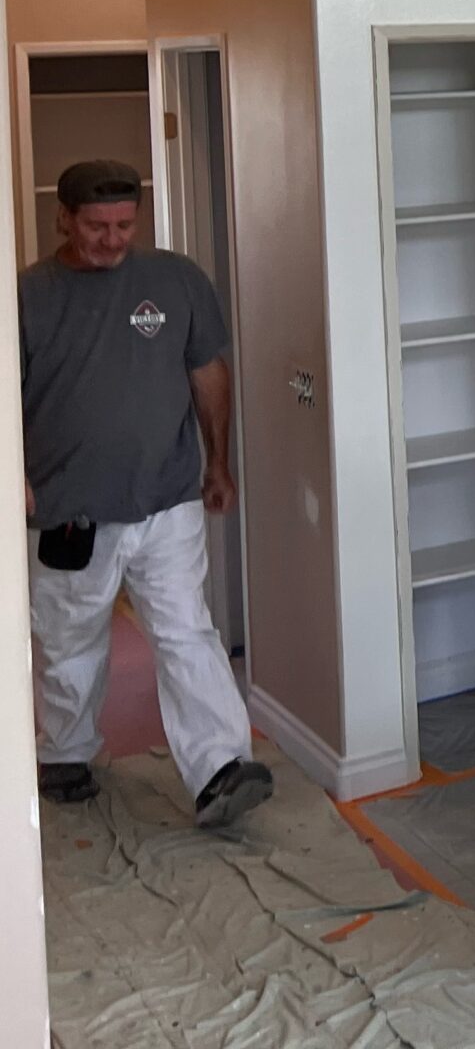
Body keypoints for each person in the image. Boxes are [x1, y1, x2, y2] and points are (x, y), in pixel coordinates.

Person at [20, 158, 270, 828]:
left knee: (187, 629)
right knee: (71, 640)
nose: (111, 238)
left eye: (124, 224)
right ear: (63, 219)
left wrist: (219, 462)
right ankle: (67, 753)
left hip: (167, 498)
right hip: (68, 509)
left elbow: (207, 372)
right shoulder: (27, 296)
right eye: (96, 226)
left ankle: (221, 767)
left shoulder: (176, 279)